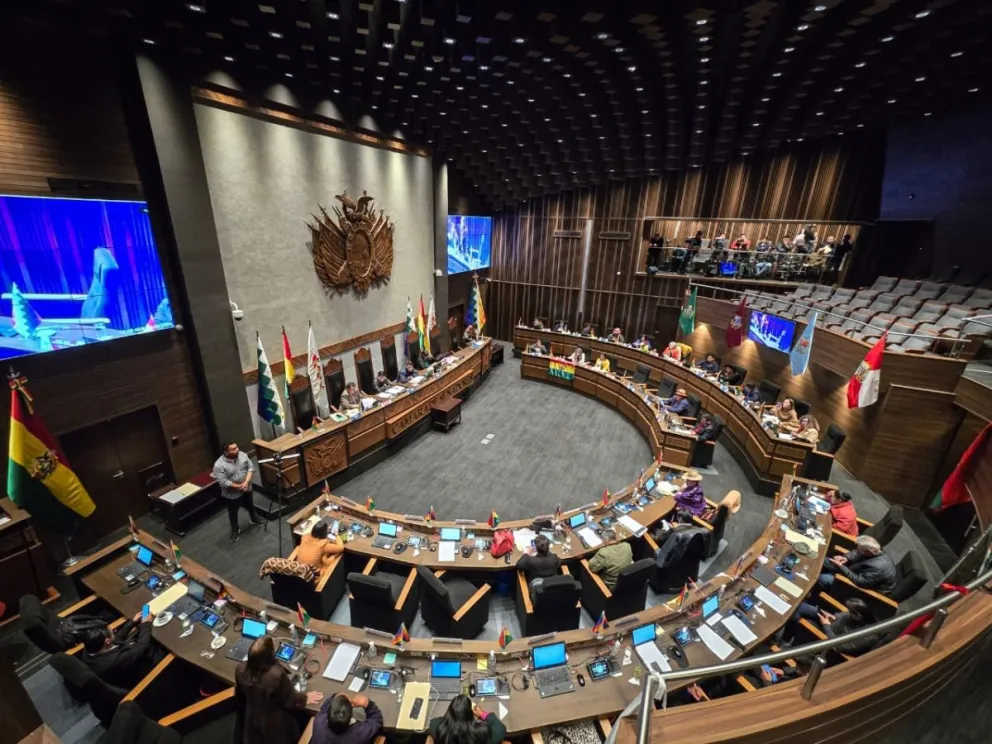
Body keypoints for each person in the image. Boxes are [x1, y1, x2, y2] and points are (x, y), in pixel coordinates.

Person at [235, 637, 323, 744]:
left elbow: (241, 693)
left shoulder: (240, 668)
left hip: (252, 718)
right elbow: (291, 700)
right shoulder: (275, 675)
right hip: (273, 725)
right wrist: (305, 698)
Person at [82, 611, 158, 688]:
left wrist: (132, 622)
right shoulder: (115, 661)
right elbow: (141, 646)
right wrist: (146, 624)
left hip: (124, 659)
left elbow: (115, 641)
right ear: (107, 641)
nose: (114, 630)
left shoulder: (90, 646)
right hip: (141, 670)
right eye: (112, 631)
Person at [790, 598, 881, 658]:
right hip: (829, 623)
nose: (849, 613)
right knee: (800, 607)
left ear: (858, 616)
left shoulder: (867, 637)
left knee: (805, 624)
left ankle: (791, 648)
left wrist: (826, 626)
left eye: (851, 612)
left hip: (827, 639)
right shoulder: (858, 617)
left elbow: (839, 646)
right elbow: (844, 615)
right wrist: (833, 616)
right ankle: (789, 639)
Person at [213, 441, 262, 543]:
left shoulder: (243, 455)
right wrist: (239, 486)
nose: (237, 450)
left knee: (250, 505)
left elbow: (250, 467)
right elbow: (223, 482)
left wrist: (246, 482)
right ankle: (235, 530)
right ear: (226, 452)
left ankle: (254, 518)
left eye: (237, 447)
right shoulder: (218, 465)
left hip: (247, 488)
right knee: (233, 512)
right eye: (233, 449)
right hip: (232, 494)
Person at [819, 535, 896, 594]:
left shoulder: (878, 567)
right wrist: (846, 558)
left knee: (823, 578)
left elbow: (860, 582)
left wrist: (841, 567)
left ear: (870, 552)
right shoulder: (875, 550)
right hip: (855, 570)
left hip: (862, 590)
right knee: (822, 560)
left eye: (861, 550)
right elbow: (856, 552)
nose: (859, 551)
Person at [429, 694, 506, 744]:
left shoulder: (437, 727)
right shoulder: (483, 733)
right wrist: (483, 714)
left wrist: (452, 717)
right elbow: (500, 729)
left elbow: (435, 721)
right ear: (470, 714)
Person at [312, 692, 383, 744]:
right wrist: (367, 704)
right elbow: (376, 720)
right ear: (350, 716)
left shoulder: (319, 722)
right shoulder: (358, 734)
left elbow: (324, 708)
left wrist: (335, 697)